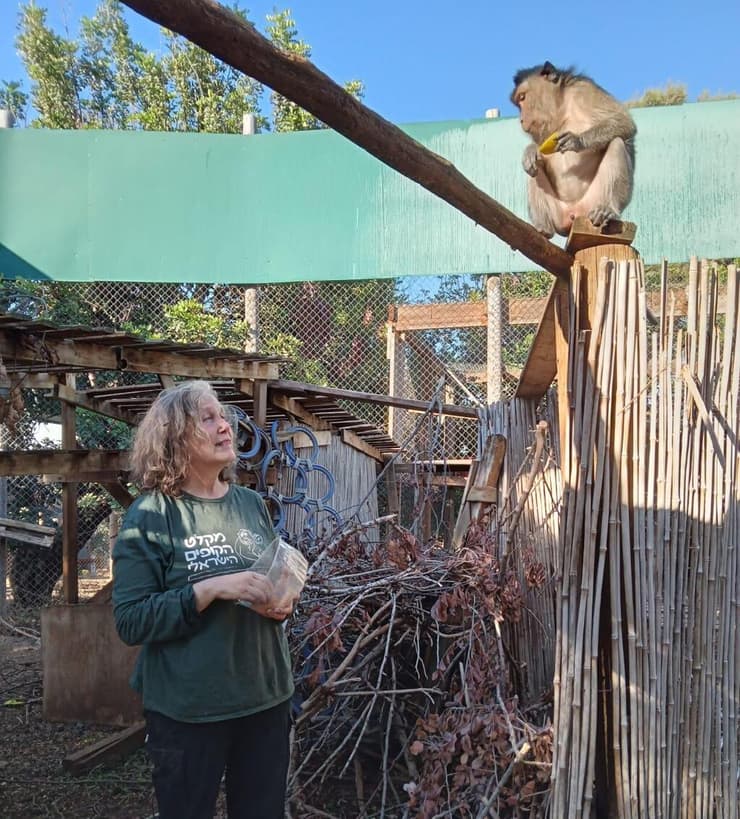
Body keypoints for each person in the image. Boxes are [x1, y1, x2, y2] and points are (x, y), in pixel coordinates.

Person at [112, 380, 296, 819]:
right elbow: (131, 620)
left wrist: (281, 602)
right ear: (175, 438)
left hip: (265, 697)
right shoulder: (152, 514)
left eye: (223, 417)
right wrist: (208, 590)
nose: (225, 426)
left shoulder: (250, 503)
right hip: (189, 711)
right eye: (208, 419)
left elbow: (271, 579)